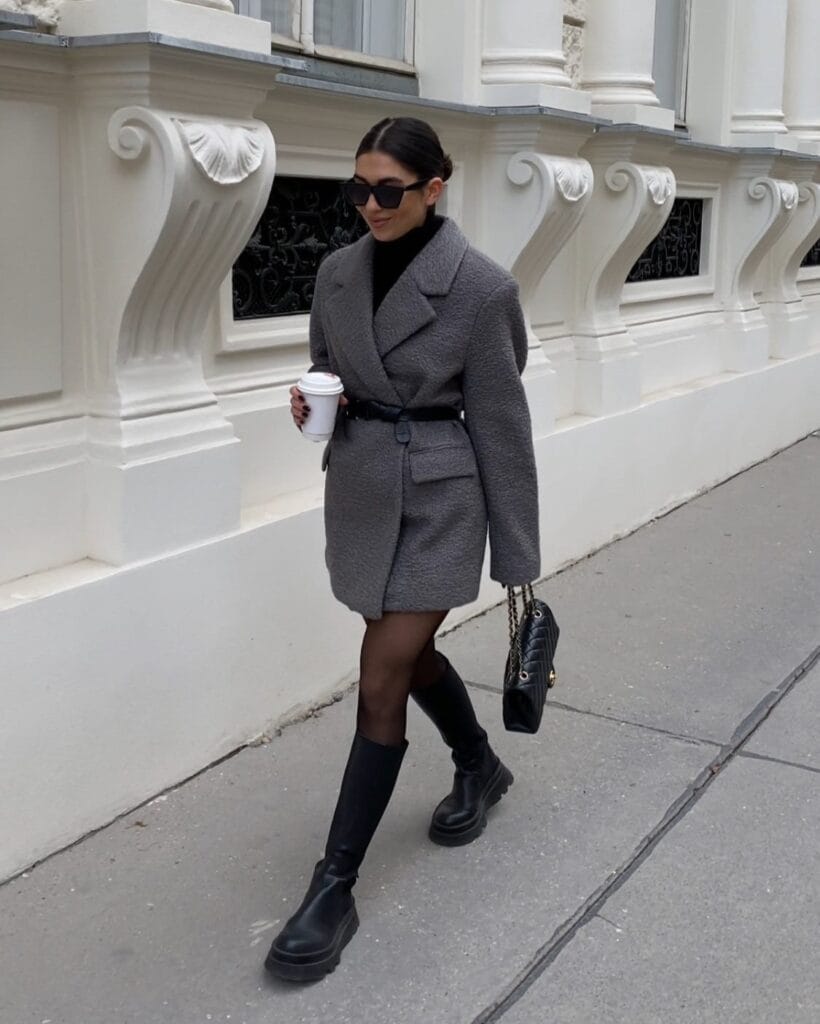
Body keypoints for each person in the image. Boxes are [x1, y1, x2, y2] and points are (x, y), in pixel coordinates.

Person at [265, 116, 540, 982]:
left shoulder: (482, 289)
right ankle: (478, 764)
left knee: (381, 673)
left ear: (433, 189)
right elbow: (329, 367)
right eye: (360, 190)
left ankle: (333, 887)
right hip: (361, 489)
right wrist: (316, 407)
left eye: (390, 190)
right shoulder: (336, 271)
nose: (371, 206)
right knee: (411, 657)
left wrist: (517, 560)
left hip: (439, 499)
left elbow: (502, 423)